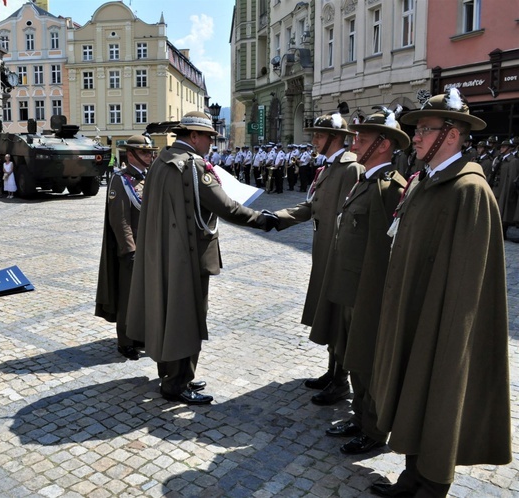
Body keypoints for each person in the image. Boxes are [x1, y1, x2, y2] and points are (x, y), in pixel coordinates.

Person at [368, 90, 511, 498]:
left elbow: (469, 285)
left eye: (424, 129)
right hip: (413, 310)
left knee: (438, 396)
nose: (414, 137)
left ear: (452, 134)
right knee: (413, 394)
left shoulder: (469, 190)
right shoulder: (425, 181)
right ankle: (412, 477)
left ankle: (432, 486)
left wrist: (449, 339)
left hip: (442, 323)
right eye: (417, 129)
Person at [126, 112, 275, 405]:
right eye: (209, 137)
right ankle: (178, 383)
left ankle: (172, 374)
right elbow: (226, 207)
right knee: (187, 318)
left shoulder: (161, 160)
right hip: (188, 257)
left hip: (164, 253)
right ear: (194, 136)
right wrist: (262, 219)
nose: (211, 143)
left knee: (167, 314)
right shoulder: (192, 166)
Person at [311, 109, 409, 455]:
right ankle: (359, 416)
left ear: (384, 145)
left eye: (363, 139)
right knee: (353, 358)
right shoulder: (365, 180)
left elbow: (384, 251)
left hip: (367, 293)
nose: (355, 144)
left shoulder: (389, 188)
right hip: (349, 288)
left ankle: (373, 429)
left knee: (367, 362)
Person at [270, 113, 364, 405]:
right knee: (328, 314)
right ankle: (331, 371)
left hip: (337, 256)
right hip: (323, 253)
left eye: (319, 136)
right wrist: (275, 217)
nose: (314, 140)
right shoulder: (329, 167)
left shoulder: (350, 169)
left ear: (336, 138)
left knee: (338, 317)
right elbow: (312, 206)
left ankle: (340, 380)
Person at [95, 134, 158, 360]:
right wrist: (129, 250)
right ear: (130, 154)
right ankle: (126, 341)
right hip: (131, 252)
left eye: (150, 152)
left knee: (147, 297)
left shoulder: (149, 177)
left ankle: (141, 334)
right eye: (143, 152)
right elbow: (120, 220)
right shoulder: (120, 180)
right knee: (129, 298)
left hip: (150, 250)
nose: (149, 156)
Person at [493, 139, 519, 238]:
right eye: (501, 147)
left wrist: (508, 192)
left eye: (504, 147)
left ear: (510, 148)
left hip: (505, 190)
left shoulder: (513, 161)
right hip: (497, 187)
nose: (502, 148)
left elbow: (511, 179)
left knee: (503, 212)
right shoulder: (500, 159)